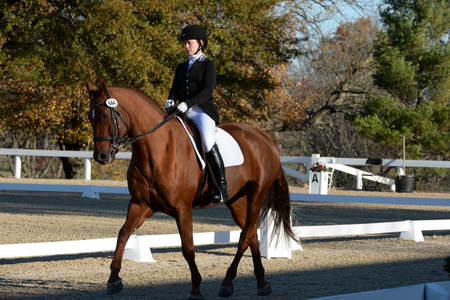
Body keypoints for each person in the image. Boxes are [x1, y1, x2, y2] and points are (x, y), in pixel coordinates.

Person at [165, 24, 229, 203]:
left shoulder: (208, 65)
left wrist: (188, 103)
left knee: (208, 141)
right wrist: (170, 99)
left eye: (189, 43)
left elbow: (207, 91)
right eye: (185, 43)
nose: (186, 46)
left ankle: (221, 186)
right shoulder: (181, 66)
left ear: (200, 43)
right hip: (181, 110)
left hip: (201, 111)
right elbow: (175, 89)